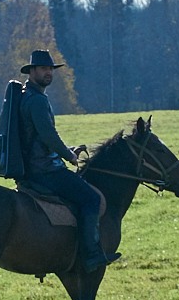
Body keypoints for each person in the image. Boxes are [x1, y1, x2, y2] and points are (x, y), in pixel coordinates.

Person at [14, 49, 119, 271]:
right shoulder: (37, 101)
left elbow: (38, 138)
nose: (48, 73)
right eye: (43, 68)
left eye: (51, 69)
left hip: (35, 166)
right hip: (45, 171)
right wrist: (69, 155)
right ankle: (91, 254)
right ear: (32, 71)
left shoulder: (28, 95)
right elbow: (48, 135)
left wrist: (68, 149)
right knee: (91, 199)